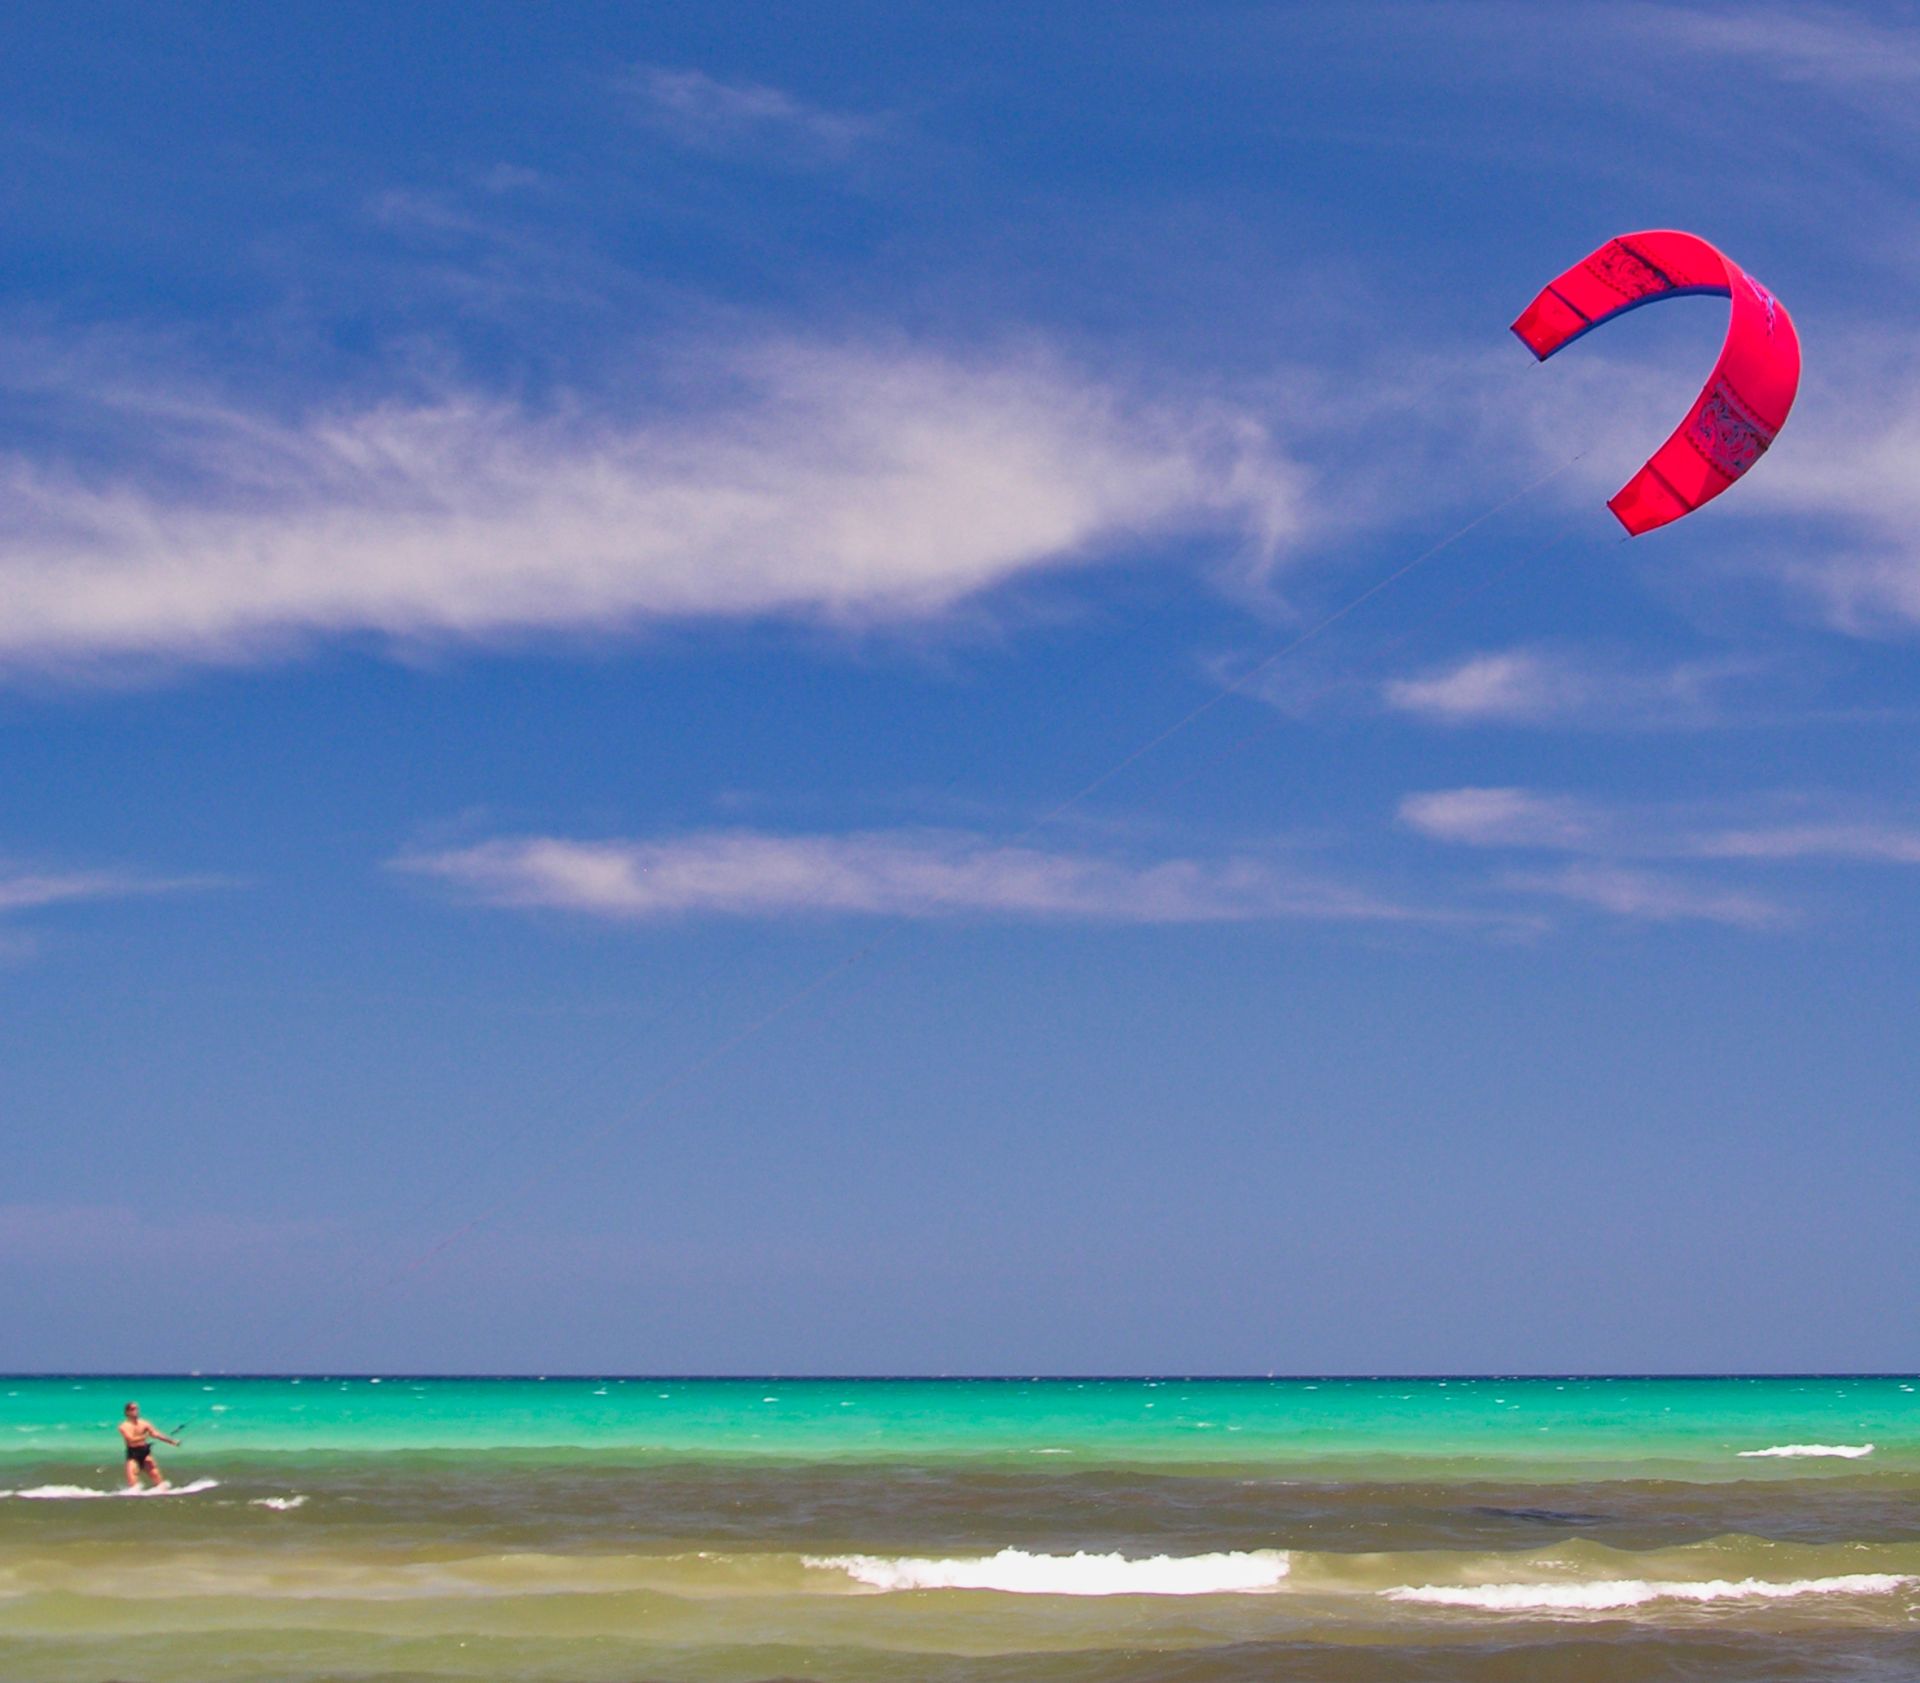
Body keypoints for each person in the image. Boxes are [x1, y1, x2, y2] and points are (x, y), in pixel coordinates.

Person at [118, 1402, 179, 1490]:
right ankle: (134, 1494)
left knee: (156, 1475)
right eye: (132, 1409)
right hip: (133, 1453)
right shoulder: (123, 1426)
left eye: (136, 1409)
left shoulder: (144, 1423)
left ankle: (163, 1491)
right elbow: (130, 1439)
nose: (135, 1411)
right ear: (127, 1412)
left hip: (144, 1451)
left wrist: (171, 1441)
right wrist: (145, 1436)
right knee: (132, 1478)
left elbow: (156, 1434)